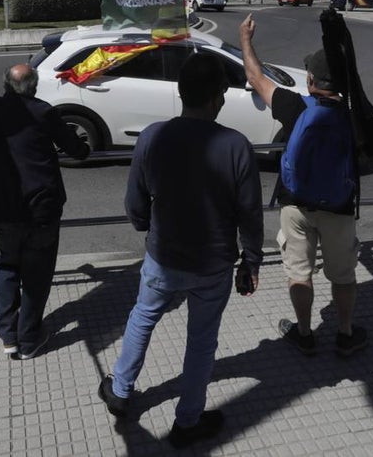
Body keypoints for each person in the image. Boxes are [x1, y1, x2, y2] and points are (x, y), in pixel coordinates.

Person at [98, 53, 262, 449]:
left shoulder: (153, 137)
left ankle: (120, 391)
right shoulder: (236, 146)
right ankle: (187, 422)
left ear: (181, 91)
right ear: (218, 97)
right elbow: (249, 214)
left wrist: (145, 226)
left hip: (163, 257)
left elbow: (135, 202)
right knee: (201, 342)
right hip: (214, 264)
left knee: (142, 317)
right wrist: (251, 261)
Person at [239, 14, 368, 358]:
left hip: (296, 204)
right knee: (343, 276)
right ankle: (345, 335)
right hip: (339, 207)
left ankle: (305, 334)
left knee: (299, 273)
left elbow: (255, 77)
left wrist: (246, 39)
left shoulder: (295, 107)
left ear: (310, 80)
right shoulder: (354, 116)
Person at [0, 63, 90, 359]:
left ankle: (8, 335)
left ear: (5, 85)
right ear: (34, 86)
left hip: (2, 208)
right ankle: (29, 339)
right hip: (41, 208)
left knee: (7, 265)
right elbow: (76, 149)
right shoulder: (43, 112)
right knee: (37, 273)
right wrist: (82, 148)